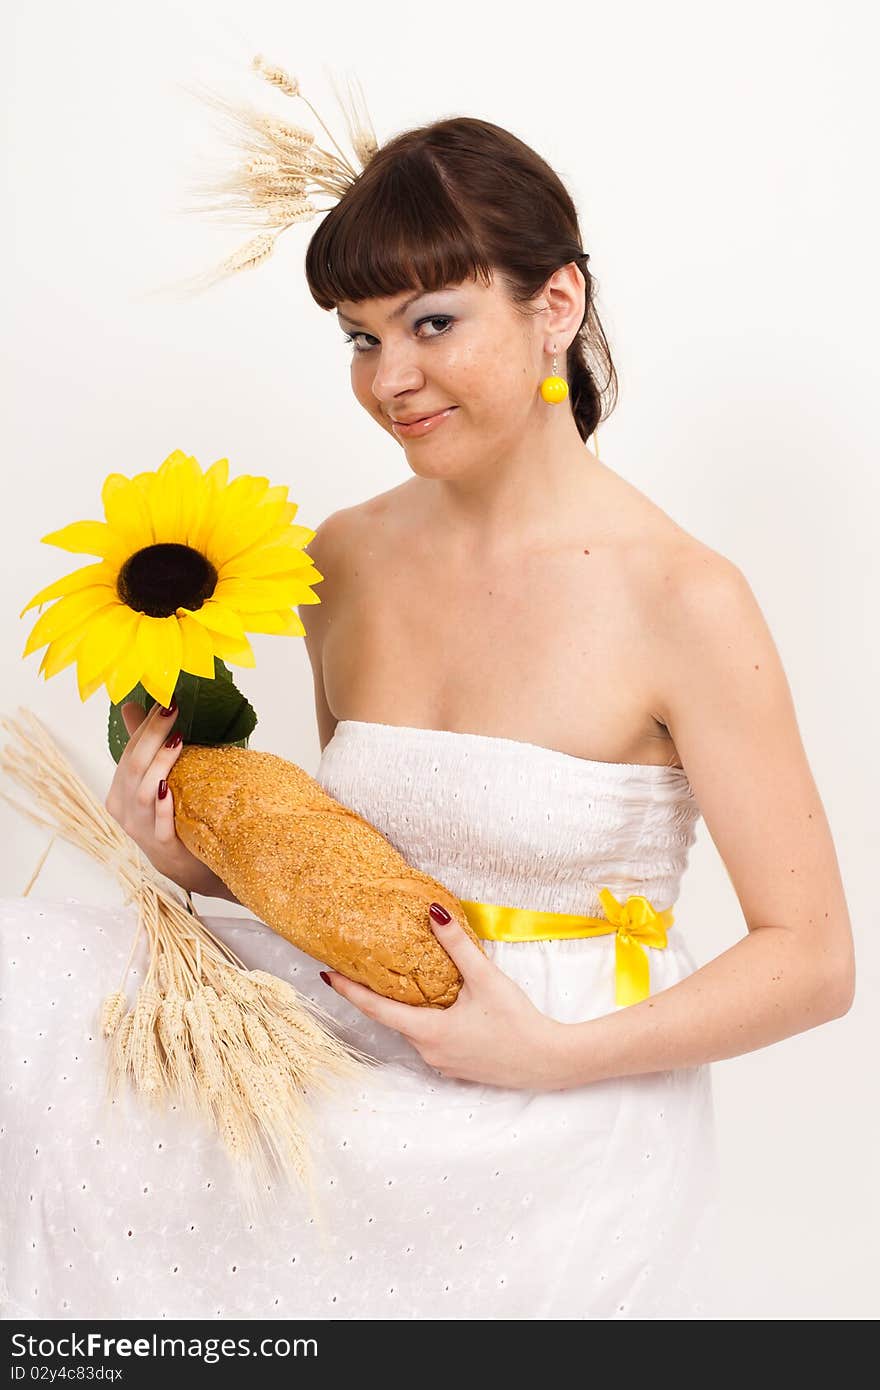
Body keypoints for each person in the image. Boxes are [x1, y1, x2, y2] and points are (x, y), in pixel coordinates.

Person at [0, 99, 854, 1323]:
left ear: (553, 306)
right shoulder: (342, 558)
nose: (387, 380)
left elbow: (814, 962)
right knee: (26, 973)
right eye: (357, 338)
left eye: (431, 324)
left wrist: (545, 1055)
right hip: (343, 1047)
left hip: (557, 1110)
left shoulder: (685, 597)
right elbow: (374, 879)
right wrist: (188, 856)